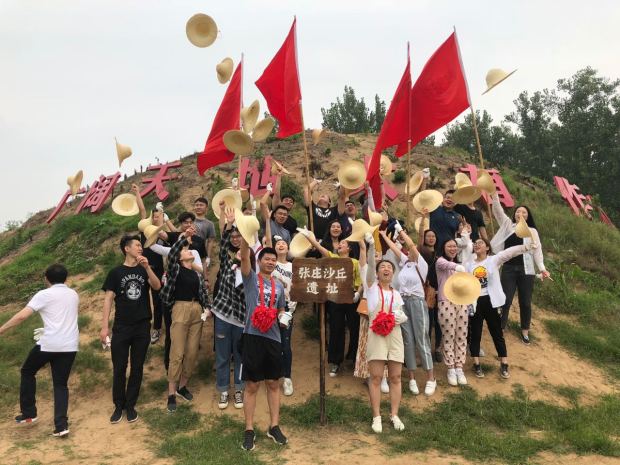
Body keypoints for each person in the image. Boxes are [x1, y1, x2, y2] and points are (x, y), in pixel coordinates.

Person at [0, 264, 78, 437]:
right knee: (60, 385)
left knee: (27, 371)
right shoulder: (73, 294)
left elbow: (22, 316)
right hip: (70, 345)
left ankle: (29, 413)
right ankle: (61, 426)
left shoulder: (44, 294)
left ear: (46, 278)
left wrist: (2, 329)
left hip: (49, 344)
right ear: (66, 278)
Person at [101, 235, 161, 424]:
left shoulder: (144, 269)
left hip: (142, 325)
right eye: (137, 245)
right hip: (121, 327)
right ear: (126, 249)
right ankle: (118, 405)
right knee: (119, 367)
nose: (140, 248)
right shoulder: (115, 272)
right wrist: (104, 328)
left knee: (137, 367)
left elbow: (157, 286)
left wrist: (147, 268)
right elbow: (108, 299)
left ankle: (131, 405)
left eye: (141, 245)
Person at [240, 237, 288, 450]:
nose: (270, 262)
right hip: (252, 336)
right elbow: (244, 258)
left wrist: (284, 316)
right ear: (259, 261)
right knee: (252, 384)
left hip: (273, 338)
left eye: (273, 260)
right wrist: (244, 237)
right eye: (266, 259)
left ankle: (274, 426)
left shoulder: (279, 286)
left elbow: (281, 308)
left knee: (273, 383)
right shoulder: (251, 278)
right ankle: (249, 429)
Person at [464, 237, 536, 379]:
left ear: (487, 248)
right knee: (475, 333)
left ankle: (504, 362)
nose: (477, 245)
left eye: (480, 243)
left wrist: (525, 247)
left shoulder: (493, 260)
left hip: (491, 301)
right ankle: (476, 363)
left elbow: (509, 252)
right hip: (475, 302)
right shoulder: (468, 265)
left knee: (496, 332)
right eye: (475, 243)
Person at [159, 227, 212, 413]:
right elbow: (173, 253)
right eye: (185, 251)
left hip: (197, 310)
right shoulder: (175, 269)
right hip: (180, 309)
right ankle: (171, 393)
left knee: (191, 352)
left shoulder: (196, 274)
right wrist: (185, 237)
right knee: (177, 353)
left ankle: (182, 386)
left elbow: (203, 293)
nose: (188, 251)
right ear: (180, 258)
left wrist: (207, 308)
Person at [380, 225, 437, 396]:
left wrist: (401, 230)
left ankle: (431, 378)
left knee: (421, 339)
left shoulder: (422, 264)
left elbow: (411, 245)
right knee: (408, 340)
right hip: (402, 302)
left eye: (414, 250)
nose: (411, 250)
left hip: (417, 302)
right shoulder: (406, 263)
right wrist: (384, 236)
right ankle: (412, 378)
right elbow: (394, 249)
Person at [300, 227, 363, 377]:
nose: (340, 244)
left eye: (343, 243)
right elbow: (319, 247)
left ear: (349, 248)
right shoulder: (332, 258)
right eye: (340, 243)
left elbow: (360, 281)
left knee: (355, 329)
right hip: (335, 298)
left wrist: (358, 294)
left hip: (352, 298)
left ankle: (354, 358)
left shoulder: (355, 262)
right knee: (336, 328)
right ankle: (335, 361)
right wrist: (309, 237)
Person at [490, 195, 550, 344]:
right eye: (518, 211)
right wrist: (494, 196)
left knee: (525, 302)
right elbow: (497, 210)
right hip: (508, 268)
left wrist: (542, 268)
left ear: (528, 216)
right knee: (505, 300)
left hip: (526, 270)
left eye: (524, 212)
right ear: (514, 214)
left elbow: (537, 251)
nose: (520, 214)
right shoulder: (507, 225)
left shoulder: (532, 231)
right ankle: (501, 327)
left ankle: (525, 330)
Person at [211, 205, 247, 411]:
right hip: (223, 315)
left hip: (241, 318)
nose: (235, 239)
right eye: (233, 236)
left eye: (239, 236)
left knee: (240, 355)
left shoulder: (250, 268)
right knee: (223, 355)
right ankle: (224, 389)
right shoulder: (226, 262)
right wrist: (229, 224)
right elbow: (223, 243)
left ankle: (239, 389)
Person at [365, 257, 407, 433]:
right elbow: (367, 266)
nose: (386, 269)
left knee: (396, 377)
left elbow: (400, 312)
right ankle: (376, 416)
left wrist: (402, 317)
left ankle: (394, 414)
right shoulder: (371, 289)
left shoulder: (397, 294)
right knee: (376, 377)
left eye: (389, 267)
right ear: (377, 272)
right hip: (377, 334)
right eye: (382, 267)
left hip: (394, 334)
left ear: (393, 273)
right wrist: (368, 247)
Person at [261, 198, 296, 396]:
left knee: (285, 343)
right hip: (268, 307)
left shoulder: (293, 266)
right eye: (278, 243)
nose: (281, 244)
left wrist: (292, 306)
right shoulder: (270, 264)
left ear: (288, 248)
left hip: (287, 309)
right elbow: (268, 239)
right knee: (268, 342)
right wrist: (267, 219)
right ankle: (270, 374)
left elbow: (298, 288)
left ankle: (287, 377)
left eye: (284, 243)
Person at [132, 183, 175, 345]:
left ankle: (156, 328)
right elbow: (142, 210)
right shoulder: (145, 229)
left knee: (158, 300)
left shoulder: (164, 234)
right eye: (154, 216)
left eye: (159, 216)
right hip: (142, 269)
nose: (156, 218)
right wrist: (137, 193)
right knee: (140, 298)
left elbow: (176, 236)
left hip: (158, 271)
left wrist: (165, 219)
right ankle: (142, 326)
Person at [435, 238, 470, 386]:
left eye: (455, 246)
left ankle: (459, 367)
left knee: (461, 335)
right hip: (446, 301)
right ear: (443, 248)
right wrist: (458, 267)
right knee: (448, 336)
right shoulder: (440, 262)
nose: (452, 248)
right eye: (449, 246)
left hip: (461, 302)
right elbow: (447, 265)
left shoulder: (460, 265)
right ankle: (450, 368)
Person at [417, 210, 442, 363]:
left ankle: (437, 348)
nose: (431, 238)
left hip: (439, 290)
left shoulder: (440, 254)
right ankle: (425, 349)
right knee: (427, 321)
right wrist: (423, 219)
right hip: (425, 290)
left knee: (438, 321)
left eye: (433, 236)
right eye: (428, 236)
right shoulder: (421, 251)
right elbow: (420, 236)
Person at [192, 196, 217, 270]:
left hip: (201, 254)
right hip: (187, 253)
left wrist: (208, 257)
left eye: (201, 205)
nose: (198, 207)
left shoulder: (210, 224)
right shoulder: (189, 220)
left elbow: (210, 241)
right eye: (196, 205)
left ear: (206, 208)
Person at [271, 173, 298, 237]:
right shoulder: (275, 213)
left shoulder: (293, 222)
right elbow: (276, 194)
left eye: (291, 202)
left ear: (293, 205)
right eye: (286, 200)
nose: (288, 202)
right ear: (281, 202)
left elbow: (293, 236)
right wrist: (279, 176)